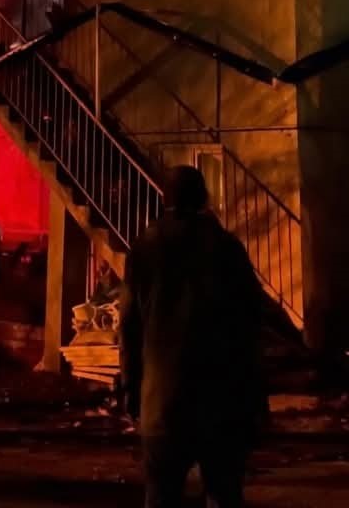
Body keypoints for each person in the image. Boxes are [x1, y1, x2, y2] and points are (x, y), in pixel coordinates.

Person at [120, 166, 266, 508]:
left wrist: (130, 387)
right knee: (224, 495)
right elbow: (251, 322)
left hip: (163, 400)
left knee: (161, 496)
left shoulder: (144, 250)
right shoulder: (226, 248)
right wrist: (255, 396)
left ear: (166, 199)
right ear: (203, 199)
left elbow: (129, 327)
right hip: (221, 400)